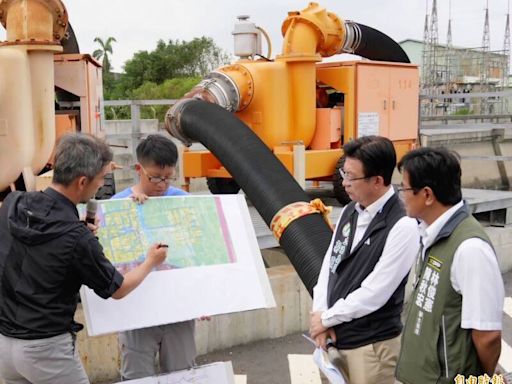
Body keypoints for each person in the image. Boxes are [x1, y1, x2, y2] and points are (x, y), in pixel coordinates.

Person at [0, 133, 167, 384]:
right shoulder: (78, 238)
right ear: (82, 182)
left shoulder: (14, 203)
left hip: (5, 345)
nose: (100, 185)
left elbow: (37, 246)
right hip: (47, 350)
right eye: (100, 179)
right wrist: (150, 262)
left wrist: (76, 232)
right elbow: (118, 288)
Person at [309, 135, 420, 384]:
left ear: (377, 181)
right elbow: (330, 264)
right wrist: (319, 314)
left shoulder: (403, 225)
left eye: (351, 176)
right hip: (334, 338)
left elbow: (376, 292)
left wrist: (325, 319)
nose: (344, 182)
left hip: (371, 349)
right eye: (343, 172)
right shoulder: (350, 211)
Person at [395, 147, 504, 383]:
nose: (401, 195)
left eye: (404, 188)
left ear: (427, 195)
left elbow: (488, 335)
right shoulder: (430, 233)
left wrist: (480, 377)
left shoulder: (470, 249)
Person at [112, 134, 197, 380]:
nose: (162, 184)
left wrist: (203, 296)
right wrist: (132, 212)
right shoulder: (119, 205)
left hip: (179, 307)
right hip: (137, 308)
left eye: (168, 177)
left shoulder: (184, 202)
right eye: (155, 177)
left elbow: (197, 254)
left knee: (183, 374)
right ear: (139, 169)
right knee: (137, 376)